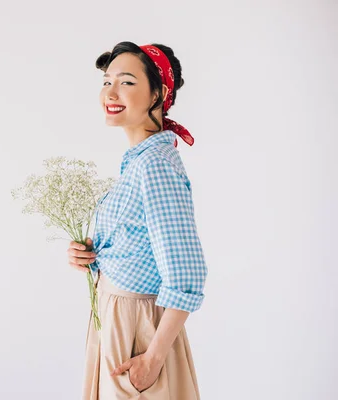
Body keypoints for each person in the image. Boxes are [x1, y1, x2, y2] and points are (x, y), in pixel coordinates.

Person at [67, 42, 208, 399]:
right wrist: (89, 255)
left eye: (126, 82)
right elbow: (134, 244)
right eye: (106, 81)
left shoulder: (154, 166)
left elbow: (187, 275)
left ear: (159, 93)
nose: (110, 92)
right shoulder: (139, 161)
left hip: (138, 331)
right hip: (119, 322)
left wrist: (154, 357)